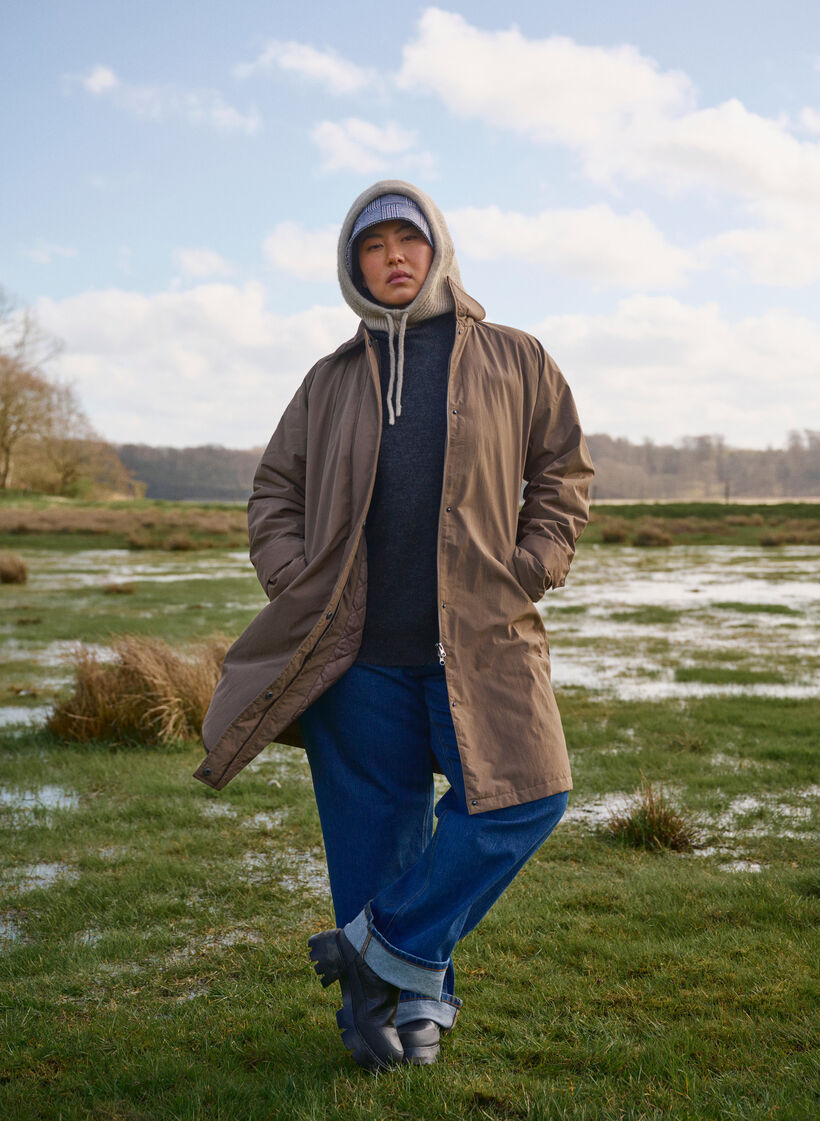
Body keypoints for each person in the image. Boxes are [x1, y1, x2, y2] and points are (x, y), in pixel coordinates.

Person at [194, 180, 594, 1072]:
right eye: (373, 249)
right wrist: (296, 578)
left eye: (407, 241)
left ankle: (373, 950)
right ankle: (404, 1016)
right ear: (355, 267)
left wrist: (536, 561)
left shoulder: (516, 358)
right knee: (374, 845)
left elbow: (563, 472)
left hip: (481, 644)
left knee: (530, 796)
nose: (394, 259)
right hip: (357, 661)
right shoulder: (330, 380)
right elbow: (274, 493)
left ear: (438, 248)